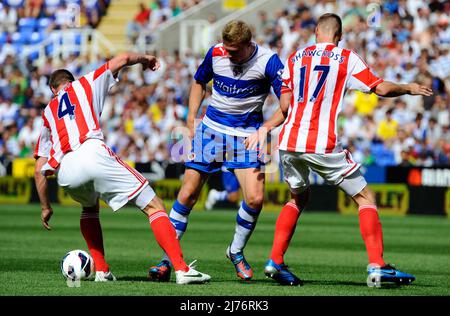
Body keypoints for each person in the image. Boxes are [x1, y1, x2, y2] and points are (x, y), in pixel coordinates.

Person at [246, 13, 433, 286]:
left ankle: (275, 260)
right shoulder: (346, 57)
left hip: (288, 141)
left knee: (298, 198)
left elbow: (285, 107)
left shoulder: (295, 58)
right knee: (365, 198)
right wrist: (408, 87)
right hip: (322, 142)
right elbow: (379, 88)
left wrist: (265, 129)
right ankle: (378, 266)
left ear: (316, 33)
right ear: (339, 36)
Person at [34, 52, 210, 284]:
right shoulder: (85, 83)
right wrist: (146, 58)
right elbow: (123, 58)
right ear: (72, 81)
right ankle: (181, 269)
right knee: (153, 205)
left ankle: (102, 271)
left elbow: (39, 169)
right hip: (91, 150)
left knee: (89, 208)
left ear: (52, 90)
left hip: (65, 169)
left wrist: (46, 207)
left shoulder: (47, 113)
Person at [148, 20, 285, 281]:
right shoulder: (216, 53)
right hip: (211, 130)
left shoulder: (269, 61)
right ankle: (169, 261)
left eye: (234, 51)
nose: (228, 54)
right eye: (226, 48)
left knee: (255, 199)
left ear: (248, 45)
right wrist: (191, 119)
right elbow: (199, 82)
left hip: (247, 135)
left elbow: (287, 104)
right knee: (187, 194)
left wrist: (265, 129)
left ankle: (235, 251)